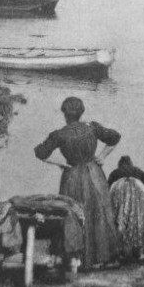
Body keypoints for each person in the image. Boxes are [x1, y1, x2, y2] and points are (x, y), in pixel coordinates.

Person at [33, 97, 120, 269]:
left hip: (72, 176)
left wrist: (59, 162)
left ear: (65, 114)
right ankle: (101, 258)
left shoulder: (60, 134)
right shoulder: (92, 127)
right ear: (81, 113)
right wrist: (102, 157)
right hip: (94, 174)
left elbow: (40, 152)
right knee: (98, 213)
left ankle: (76, 258)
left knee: (74, 214)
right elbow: (115, 137)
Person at [108, 156, 144, 263]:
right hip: (138, 193)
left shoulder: (115, 172)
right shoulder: (138, 171)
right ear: (131, 164)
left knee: (120, 221)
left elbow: (108, 190)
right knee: (140, 220)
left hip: (119, 195)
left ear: (119, 165)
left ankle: (121, 247)